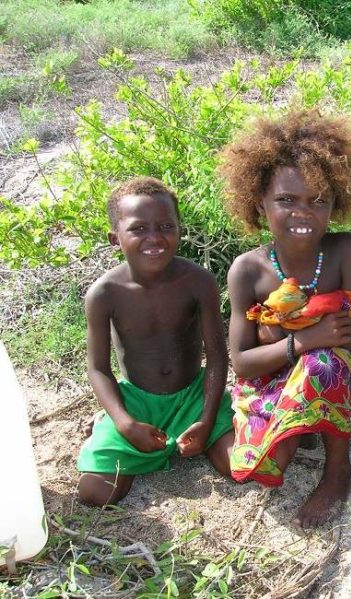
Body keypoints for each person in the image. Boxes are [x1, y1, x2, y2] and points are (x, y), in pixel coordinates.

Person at [220, 111, 351, 528]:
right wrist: (303, 339)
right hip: (272, 376)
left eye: (318, 201)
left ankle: (338, 470)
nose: (302, 213)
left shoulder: (347, 251)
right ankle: (300, 425)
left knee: (322, 364)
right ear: (259, 203)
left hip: (335, 369)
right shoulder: (247, 271)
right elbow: (243, 363)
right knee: (256, 465)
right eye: (286, 200)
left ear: (335, 203)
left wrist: (282, 332)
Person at [77, 177, 235, 506]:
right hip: (136, 402)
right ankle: (109, 425)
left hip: (195, 395)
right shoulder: (103, 294)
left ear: (179, 229)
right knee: (95, 493)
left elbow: (218, 357)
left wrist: (206, 420)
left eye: (165, 226)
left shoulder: (198, 282)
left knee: (237, 465)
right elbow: (97, 368)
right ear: (114, 239)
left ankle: (195, 435)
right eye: (138, 229)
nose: (155, 238)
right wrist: (125, 423)